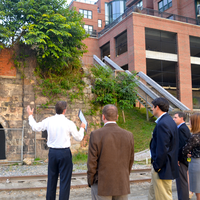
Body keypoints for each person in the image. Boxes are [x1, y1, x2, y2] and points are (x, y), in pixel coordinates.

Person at [27, 101, 85, 200]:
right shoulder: (69, 123)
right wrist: (82, 128)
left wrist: (30, 116)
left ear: (55, 110)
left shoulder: (49, 120)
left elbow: (36, 127)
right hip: (65, 153)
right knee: (65, 181)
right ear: (65, 110)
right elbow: (79, 138)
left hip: (53, 153)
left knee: (51, 180)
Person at [87, 104, 134, 200]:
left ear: (103, 116)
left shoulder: (96, 134)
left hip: (102, 184)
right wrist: (124, 176)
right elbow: (130, 160)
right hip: (122, 183)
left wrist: (90, 180)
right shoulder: (129, 135)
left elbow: (92, 162)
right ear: (117, 117)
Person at [148, 97, 179, 200]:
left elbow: (163, 148)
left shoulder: (163, 123)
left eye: (152, 107)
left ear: (157, 107)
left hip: (162, 168)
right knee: (153, 196)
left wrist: (157, 166)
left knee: (163, 197)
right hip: (164, 167)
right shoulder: (168, 121)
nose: (151, 109)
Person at [173, 112, 191, 200]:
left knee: (181, 182)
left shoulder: (182, 129)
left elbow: (182, 146)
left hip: (182, 160)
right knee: (181, 182)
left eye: (175, 117)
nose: (173, 119)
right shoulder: (181, 128)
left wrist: (178, 159)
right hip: (183, 159)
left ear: (182, 118)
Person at [183, 113, 200, 200]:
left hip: (196, 163)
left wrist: (188, 153)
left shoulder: (195, 137)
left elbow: (185, 150)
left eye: (190, 120)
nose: (189, 122)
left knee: (197, 189)